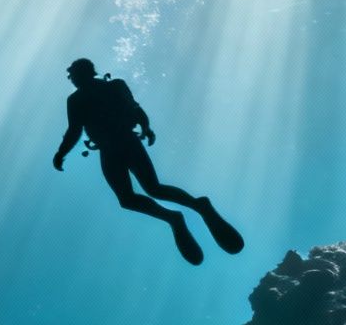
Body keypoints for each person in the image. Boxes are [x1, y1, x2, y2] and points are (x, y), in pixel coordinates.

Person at [51, 58, 244, 265]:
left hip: (116, 145)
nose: (71, 79)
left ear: (81, 73)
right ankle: (189, 210)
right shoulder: (112, 86)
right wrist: (145, 127)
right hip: (121, 144)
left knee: (139, 194)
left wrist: (61, 152)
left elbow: (75, 130)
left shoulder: (78, 99)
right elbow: (135, 109)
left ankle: (184, 213)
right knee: (145, 191)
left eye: (72, 75)